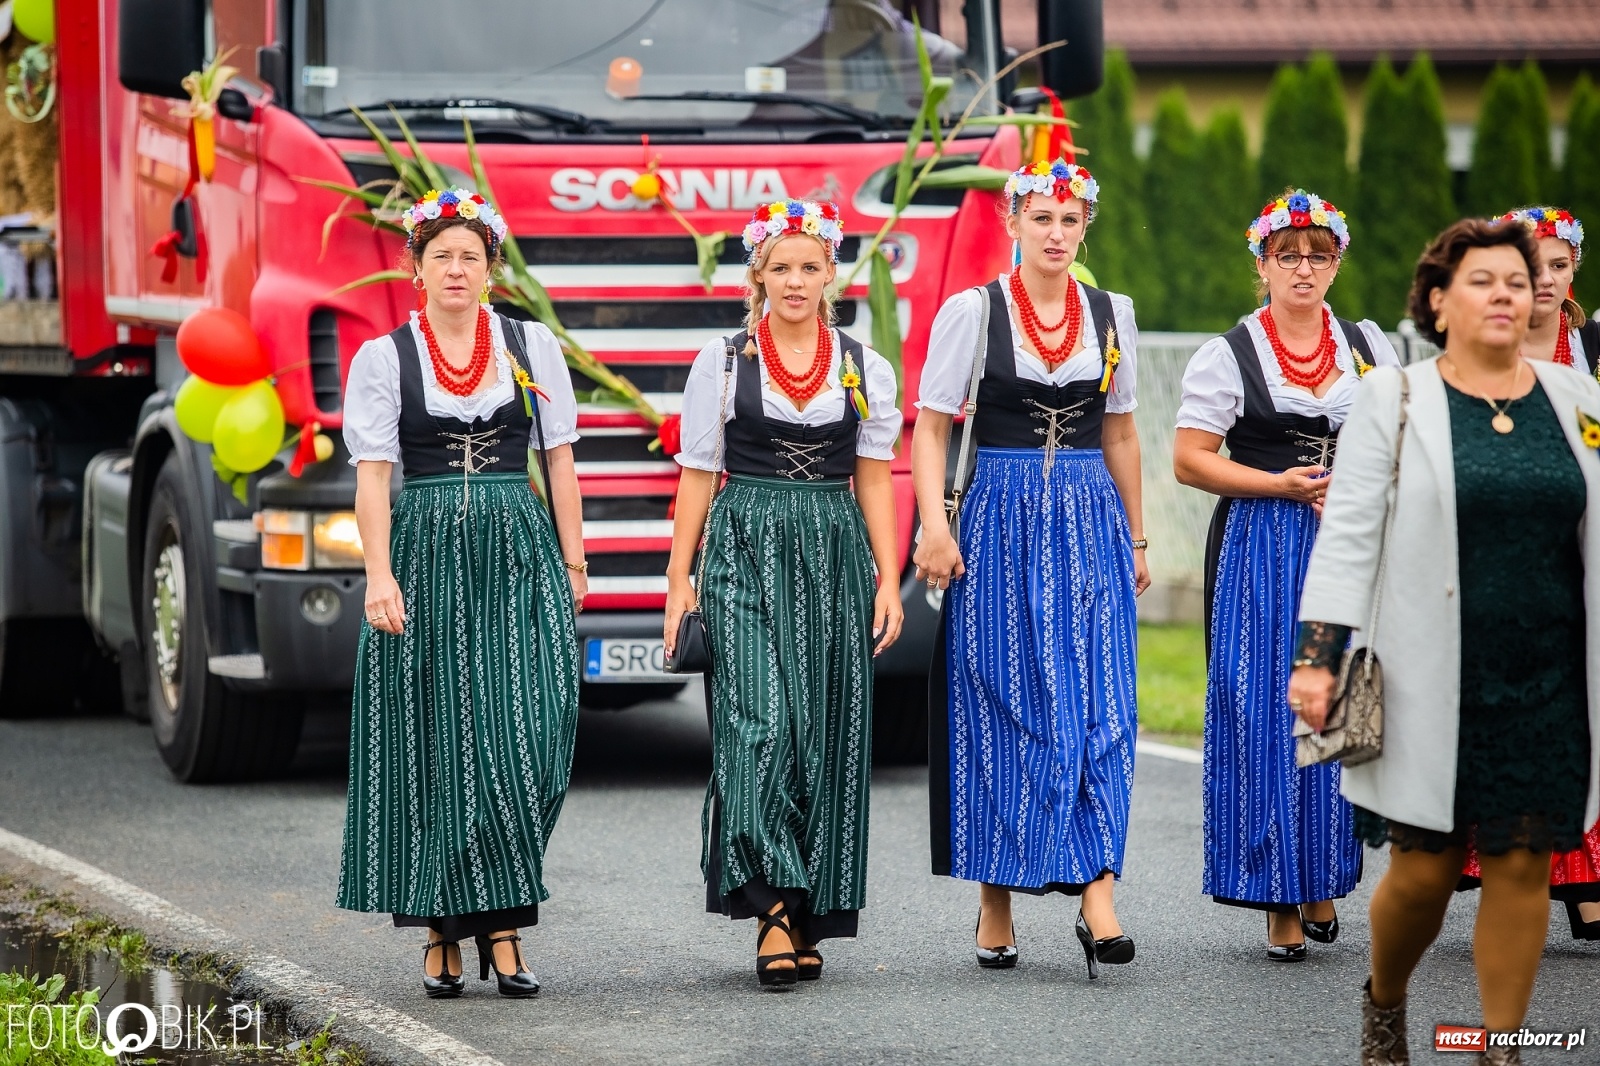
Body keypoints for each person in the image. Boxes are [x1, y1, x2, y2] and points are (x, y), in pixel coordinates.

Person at [1291, 217, 1600, 1066]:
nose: (1507, 292)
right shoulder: (1395, 399)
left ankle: (1501, 1048)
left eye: (1518, 278)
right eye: (1483, 280)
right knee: (1423, 877)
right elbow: (1350, 533)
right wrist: (1318, 656)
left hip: (1548, 679)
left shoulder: (1580, 403)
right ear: (1438, 300)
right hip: (1431, 675)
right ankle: (1386, 1001)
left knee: (1521, 863)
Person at [335, 189, 587, 999]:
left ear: (491, 271)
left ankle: (503, 914)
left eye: (470, 257)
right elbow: (374, 480)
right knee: (441, 737)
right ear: (415, 270)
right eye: (440, 256)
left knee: (528, 736)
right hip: (428, 548)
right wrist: (379, 573)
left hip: (519, 547)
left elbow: (559, 462)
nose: (455, 269)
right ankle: (457, 926)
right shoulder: (385, 359)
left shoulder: (528, 343)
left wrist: (574, 564)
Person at [912, 160, 1148, 979]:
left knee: (1103, 704)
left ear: (1086, 228)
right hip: (1001, 512)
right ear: (1014, 222)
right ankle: (996, 900)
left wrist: (1140, 538)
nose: (1056, 232)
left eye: (1070, 219)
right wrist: (934, 528)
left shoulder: (1111, 314)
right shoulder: (972, 313)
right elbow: (932, 426)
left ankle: (1099, 894)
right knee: (1004, 699)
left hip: (1089, 514)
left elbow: (1120, 432)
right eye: (1042, 217)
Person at [662, 198, 904, 988]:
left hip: (833, 548)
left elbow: (875, 478)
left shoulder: (866, 366)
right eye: (779, 268)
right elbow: (699, 474)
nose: (794, 281)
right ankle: (769, 908)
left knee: (821, 730)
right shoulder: (724, 361)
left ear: (832, 273)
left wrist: (887, 576)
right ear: (756, 275)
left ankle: (807, 908)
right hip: (744, 543)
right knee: (756, 722)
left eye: (809, 267)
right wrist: (679, 578)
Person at [1173, 188, 1398, 961]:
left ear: (1337, 263)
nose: (1303, 268)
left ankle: (1323, 873)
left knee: (1334, 698)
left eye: (1319, 254)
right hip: (1263, 541)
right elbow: (1189, 459)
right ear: (1262, 264)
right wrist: (1280, 484)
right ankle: (1278, 894)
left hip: (1346, 541)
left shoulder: (1368, 345)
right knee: (1268, 706)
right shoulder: (1230, 353)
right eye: (1287, 255)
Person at [1456, 206, 1600, 941]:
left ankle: (1585, 876)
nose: (1544, 279)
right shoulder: (1482, 346)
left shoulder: (1594, 349)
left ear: (1574, 273)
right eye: (1530, 266)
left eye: (1558, 266)